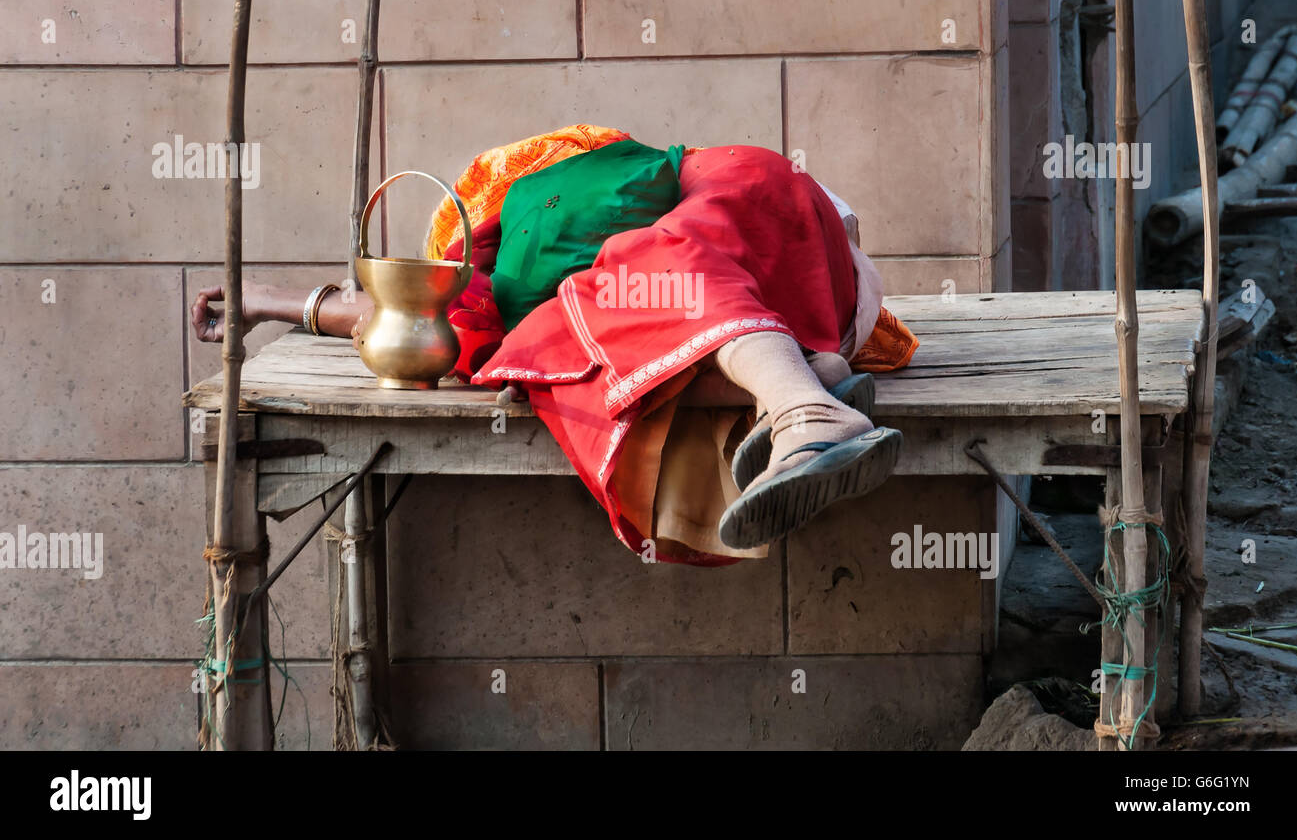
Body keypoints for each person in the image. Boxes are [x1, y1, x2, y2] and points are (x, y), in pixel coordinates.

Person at [192, 126, 918, 564]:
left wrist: (278, 299)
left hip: (765, 229)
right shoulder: (549, 224)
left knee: (577, 321)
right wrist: (267, 298)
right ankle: (802, 381)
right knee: (554, 347)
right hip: (820, 302)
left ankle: (812, 414)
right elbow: (404, 316)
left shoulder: (554, 245)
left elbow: (411, 317)